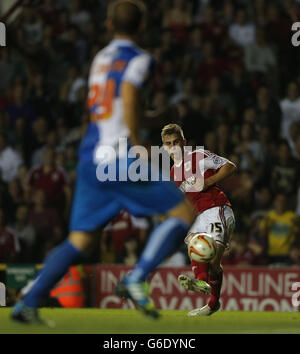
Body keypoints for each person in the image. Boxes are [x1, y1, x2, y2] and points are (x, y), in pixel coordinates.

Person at [11, 0, 195, 323]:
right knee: (181, 212)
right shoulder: (139, 60)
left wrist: (155, 119)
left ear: (109, 25)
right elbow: (128, 95)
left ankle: (27, 302)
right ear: (141, 28)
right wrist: (139, 144)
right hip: (120, 156)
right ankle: (137, 278)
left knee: (80, 240)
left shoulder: (99, 59)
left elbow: (112, 110)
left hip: (91, 157)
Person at [161, 124, 236, 316]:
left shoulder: (198, 156)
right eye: (168, 144)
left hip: (215, 209)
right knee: (203, 255)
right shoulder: (171, 175)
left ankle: (207, 291)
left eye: (176, 142)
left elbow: (230, 166)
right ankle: (207, 293)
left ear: (184, 143)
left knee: (211, 257)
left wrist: (208, 182)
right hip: (196, 218)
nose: (173, 146)